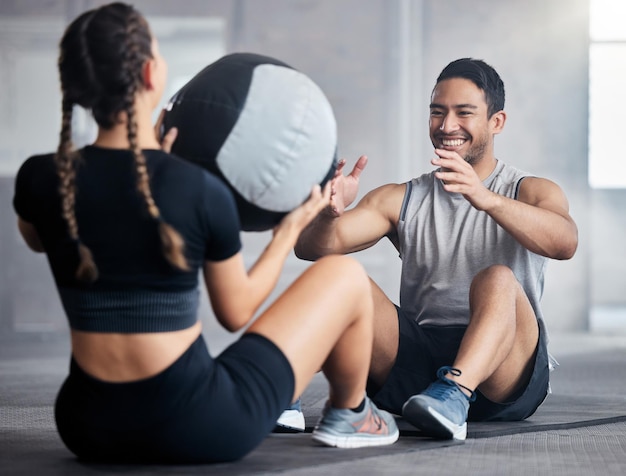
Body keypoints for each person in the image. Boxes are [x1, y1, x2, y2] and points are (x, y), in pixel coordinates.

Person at [12, 2, 398, 464]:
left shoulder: (41, 178)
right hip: (196, 425)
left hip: (86, 425)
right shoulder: (193, 187)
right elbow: (235, 312)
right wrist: (289, 228)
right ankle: (352, 413)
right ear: (152, 75)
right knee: (345, 276)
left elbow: (40, 238)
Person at [295, 58, 578, 441]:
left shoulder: (531, 190)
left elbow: (565, 243)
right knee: (341, 278)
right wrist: (328, 215)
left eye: (464, 113)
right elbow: (310, 248)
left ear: (497, 122)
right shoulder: (401, 198)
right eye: (437, 112)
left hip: (504, 374)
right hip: (420, 366)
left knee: (497, 278)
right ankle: (279, 389)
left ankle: (456, 394)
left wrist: (484, 198)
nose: (447, 126)